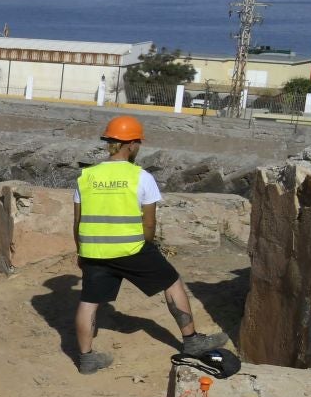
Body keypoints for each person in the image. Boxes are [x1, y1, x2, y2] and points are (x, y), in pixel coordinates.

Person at [71, 116, 227, 374]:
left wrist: (81, 252)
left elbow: (77, 222)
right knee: (171, 281)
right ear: (131, 145)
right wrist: (148, 249)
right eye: (138, 143)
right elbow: (150, 224)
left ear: (110, 142)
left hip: (93, 250)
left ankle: (86, 360)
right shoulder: (140, 177)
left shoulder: (86, 177)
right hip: (131, 248)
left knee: (89, 300)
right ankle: (192, 341)